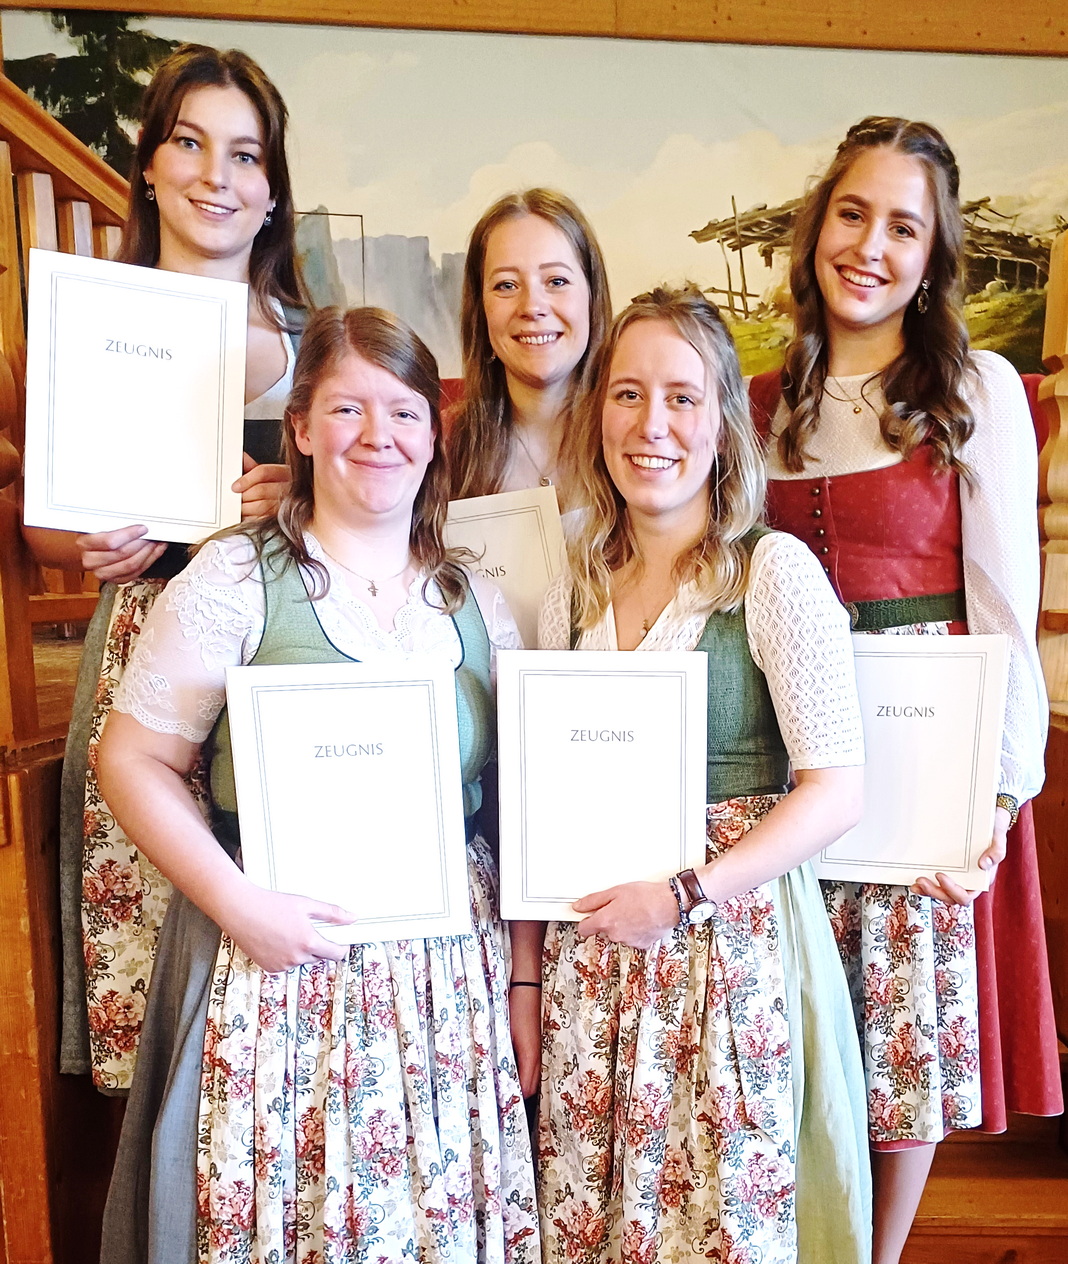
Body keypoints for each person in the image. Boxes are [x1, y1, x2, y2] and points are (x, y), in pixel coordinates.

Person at [96, 305, 539, 1264]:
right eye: (347, 409)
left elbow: (518, 808)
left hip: (443, 983)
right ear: (299, 428)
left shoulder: (477, 601)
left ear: (433, 436)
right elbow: (128, 760)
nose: (379, 435)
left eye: (405, 411)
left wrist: (523, 977)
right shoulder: (235, 578)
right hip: (277, 965)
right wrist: (241, 907)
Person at [747, 116, 1060, 1264]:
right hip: (788, 745)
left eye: (902, 227)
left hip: (926, 753)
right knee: (794, 1017)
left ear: (932, 257)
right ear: (814, 228)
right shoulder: (760, 398)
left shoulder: (976, 390)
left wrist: (998, 792)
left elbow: (1004, 604)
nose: (870, 246)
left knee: (901, 1028)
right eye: (852, 213)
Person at [532, 285, 872, 1264]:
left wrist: (683, 893)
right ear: (599, 413)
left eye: (682, 398)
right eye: (628, 394)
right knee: (595, 1214)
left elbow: (837, 789)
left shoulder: (773, 573)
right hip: (592, 957)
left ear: (722, 424)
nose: (653, 425)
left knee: (714, 1216)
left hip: (724, 951)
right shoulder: (571, 585)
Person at [22, 43, 308, 1092]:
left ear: (272, 190)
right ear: (148, 166)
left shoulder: (316, 344)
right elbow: (43, 528)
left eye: (244, 154)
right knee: (147, 928)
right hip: (145, 651)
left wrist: (299, 501)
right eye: (188, 144)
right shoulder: (94, 323)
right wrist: (85, 547)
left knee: (277, 930)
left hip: (283, 660)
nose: (214, 176)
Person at [447, 188, 612, 504]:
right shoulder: (442, 447)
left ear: (593, 297)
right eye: (506, 285)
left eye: (556, 281)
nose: (532, 307)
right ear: (480, 310)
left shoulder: (639, 438)